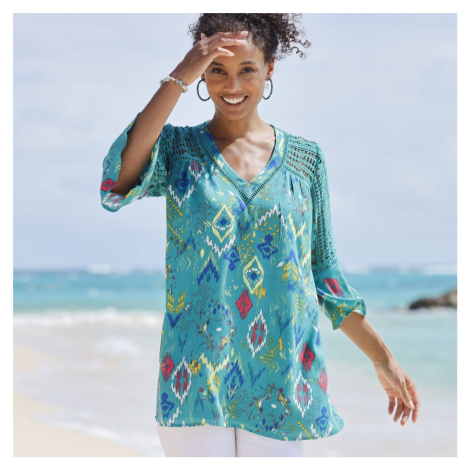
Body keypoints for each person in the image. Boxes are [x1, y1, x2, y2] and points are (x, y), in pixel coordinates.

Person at [100, 13, 420, 458]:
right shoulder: (176, 150)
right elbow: (116, 181)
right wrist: (180, 75)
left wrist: (383, 359)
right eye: (217, 70)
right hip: (194, 376)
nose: (232, 85)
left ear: (270, 69)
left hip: (282, 380)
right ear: (201, 73)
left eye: (247, 69)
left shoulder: (306, 161)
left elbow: (325, 275)